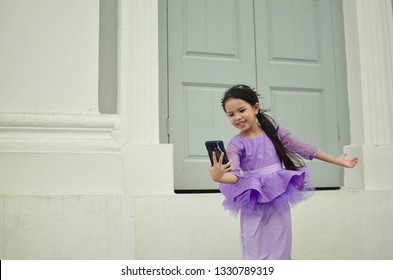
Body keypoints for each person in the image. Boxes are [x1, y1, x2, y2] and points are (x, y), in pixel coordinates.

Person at [208, 84, 358, 260]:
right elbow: (233, 175)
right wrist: (218, 176)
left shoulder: (274, 133)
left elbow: (305, 149)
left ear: (255, 107)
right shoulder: (236, 144)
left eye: (242, 110)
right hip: (252, 197)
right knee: (252, 244)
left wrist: (337, 160)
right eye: (231, 114)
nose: (237, 117)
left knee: (281, 244)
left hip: (278, 193)